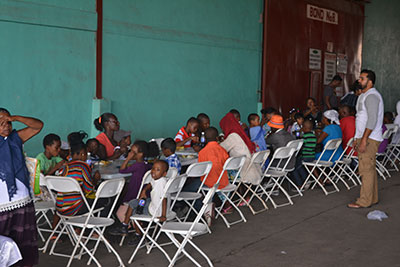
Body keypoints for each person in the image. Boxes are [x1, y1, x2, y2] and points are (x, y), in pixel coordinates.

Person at [0, 108, 43, 267]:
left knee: (23, 244)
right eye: (1, 122)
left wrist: (16, 117)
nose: (6, 126)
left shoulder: (15, 139)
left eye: (8, 122)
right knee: (3, 245)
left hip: (21, 201)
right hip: (1, 203)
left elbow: (37, 126)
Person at [109, 160, 169, 246]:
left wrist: (163, 215)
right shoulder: (159, 179)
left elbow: (164, 199)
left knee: (135, 212)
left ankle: (137, 234)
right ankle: (125, 225)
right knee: (136, 202)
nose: (153, 171)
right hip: (153, 204)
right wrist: (144, 190)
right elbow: (150, 184)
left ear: (164, 174)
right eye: (153, 168)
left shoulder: (161, 184)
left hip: (155, 210)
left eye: (157, 170)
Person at [348, 69, 384, 209]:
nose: (359, 80)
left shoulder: (372, 96)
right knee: (369, 169)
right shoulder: (366, 95)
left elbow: (372, 120)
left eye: (362, 79)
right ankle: (372, 198)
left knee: (366, 170)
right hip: (366, 137)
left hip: (369, 139)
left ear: (370, 82)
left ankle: (364, 201)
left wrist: (363, 140)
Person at [57, 142, 101, 216]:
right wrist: (96, 179)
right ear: (82, 154)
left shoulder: (63, 167)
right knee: (105, 201)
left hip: (59, 208)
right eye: (86, 154)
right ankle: (84, 226)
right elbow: (89, 190)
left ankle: (76, 226)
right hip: (75, 208)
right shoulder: (83, 166)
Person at [198, 127, 230, 224]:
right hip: (223, 182)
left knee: (199, 186)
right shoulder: (222, 150)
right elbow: (227, 164)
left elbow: (201, 170)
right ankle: (227, 205)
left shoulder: (202, 153)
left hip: (209, 183)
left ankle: (208, 205)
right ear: (217, 138)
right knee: (219, 182)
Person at [291, 120, 316, 186]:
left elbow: (300, 147)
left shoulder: (305, 136)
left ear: (304, 128)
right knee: (300, 166)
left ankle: (300, 184)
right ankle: (306, 180)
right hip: (312, 156)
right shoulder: (313, 136)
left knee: (294, 167)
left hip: (305, 156)